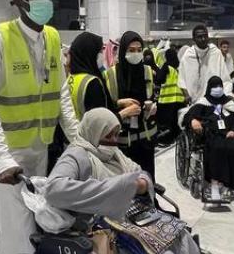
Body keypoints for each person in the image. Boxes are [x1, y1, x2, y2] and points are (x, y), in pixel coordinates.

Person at [33, 108, 226, 254]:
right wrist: (114, 188)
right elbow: (54, 190)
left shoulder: (114, 153)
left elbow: (138, 172)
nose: (114, 140)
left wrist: (141, 183)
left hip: (133, 217)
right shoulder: (77, 155)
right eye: (108, 135)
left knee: (184, 239)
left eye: (116, 134)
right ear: (94, 131)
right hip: (105, 229)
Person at [0, 0, 79, 254]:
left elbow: (61, 92)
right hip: (8, 149)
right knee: (17, 221)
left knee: (39, 213)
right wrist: (2, 159)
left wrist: (78, 139)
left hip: (39, 144)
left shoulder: (52, 36)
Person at [184, 76, 234, 203]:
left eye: (220, 86)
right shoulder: (203, 103)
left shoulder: (229, 103)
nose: (218, 89)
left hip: (231, 134)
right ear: (210, 88)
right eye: (215, 86)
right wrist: (193, 120)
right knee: (217, 147)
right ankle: (215, 184)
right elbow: (188, 115)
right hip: (213, 135)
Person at [104, 31, 157, 179]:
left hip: (146, 138)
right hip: (121, 142)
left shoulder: (147, 71)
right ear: (123, 51)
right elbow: (106, 106)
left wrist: (152, 108)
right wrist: (121, 104)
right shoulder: (111, 74)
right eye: (131, 50)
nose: (136, 54)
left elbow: (152, 96)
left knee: (146, 180)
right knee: (125, 183)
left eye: (139, 50)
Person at [65, 31, 140, 121]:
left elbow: (93, 103)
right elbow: (101, 122)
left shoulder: (72, 77)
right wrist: (125, 113)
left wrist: (118, 103)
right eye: (100, 51)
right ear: (91, 53)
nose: (102, 55)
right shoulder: (92, 83)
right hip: (90, 130)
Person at [178, 25, 231, 103]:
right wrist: (186, 95)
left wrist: (227, 94)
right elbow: (181, 79)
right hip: (194, 100)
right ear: (193, 39)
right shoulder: (188, 55)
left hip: (213, 100)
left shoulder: (216, 53)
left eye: (205, 36)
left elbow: (225, 77)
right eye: (199, 37)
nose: (203, 39)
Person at [156, 47, 186, 144]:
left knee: (168, 124)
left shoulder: (166, 66)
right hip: (180, 100)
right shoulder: (178, 67)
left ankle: (168, 140)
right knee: (177, 122)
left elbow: (159, 79)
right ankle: (177, 139)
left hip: (167, 100)